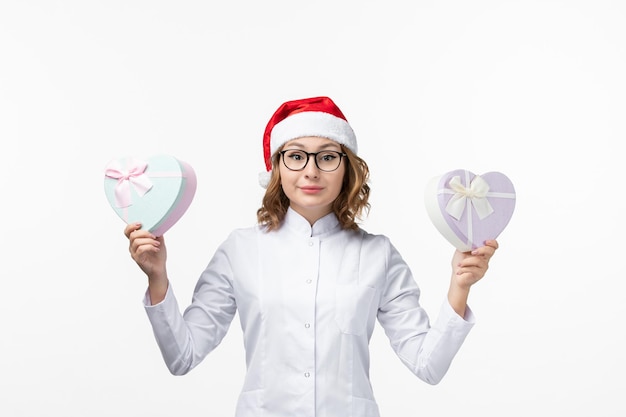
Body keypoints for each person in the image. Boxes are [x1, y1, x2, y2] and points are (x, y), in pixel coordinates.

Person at [124, 96, 499, 417]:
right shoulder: (240, 250)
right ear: (276, 169)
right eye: (296, 157)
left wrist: (459, 286)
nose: (311, 171)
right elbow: (182, 356)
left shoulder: (378, 254)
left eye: (327, 157)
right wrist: (157, 279)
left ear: (347, 169)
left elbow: (427, 365)